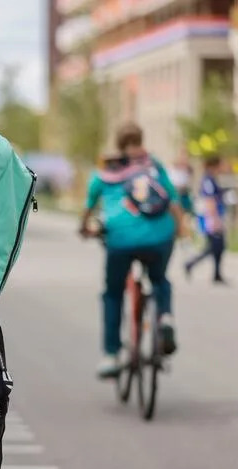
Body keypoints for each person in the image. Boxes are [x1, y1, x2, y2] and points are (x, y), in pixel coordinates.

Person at [79, 122, 184, 378]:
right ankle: (165, 318)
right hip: (160, 236)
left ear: (118, 143)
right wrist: (179, 229)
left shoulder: (107, 169)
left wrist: (85, 227)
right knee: (159, 279)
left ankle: (111, 355)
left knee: (113, 293)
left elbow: (90, 203)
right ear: (142, 138)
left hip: (121, 239)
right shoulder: (154, 165)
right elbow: (173, 201)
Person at [184, 154, 229, 284]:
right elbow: (209, 200)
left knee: (217, 246)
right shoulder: (208, 180)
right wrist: (214, 219)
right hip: (211, 217)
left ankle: (216, 273)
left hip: (214, 216)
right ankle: (191, 264)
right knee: (214, 246)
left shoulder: (212, 179)